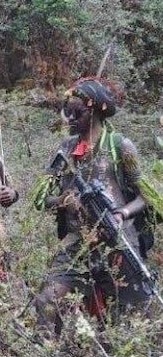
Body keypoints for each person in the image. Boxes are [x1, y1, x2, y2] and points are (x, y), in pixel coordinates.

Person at [32, 77, 151, 333]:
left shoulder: (120, 146)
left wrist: (123, 212)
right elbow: (40, 198)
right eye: (68, 112)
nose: (71, 119)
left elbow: (147, 196)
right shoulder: (66, 148)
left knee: (125, 321)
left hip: (118, 242)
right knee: (47, 302)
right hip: (78, 243)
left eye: (78, 113)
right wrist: (63, 202)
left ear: (95, 112)